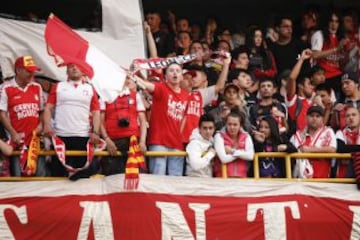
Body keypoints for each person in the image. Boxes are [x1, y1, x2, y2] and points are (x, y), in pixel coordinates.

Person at [43, 64, 101, 180]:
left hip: (82, 136)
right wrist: (47, 126)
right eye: (70, 66)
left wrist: (95, 132)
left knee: (83, 176)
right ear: (66, 71)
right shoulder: (58, 86)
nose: (74, 68)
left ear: (83, 70)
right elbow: (48, 108)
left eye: (77, 66)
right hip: (60, 137)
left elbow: (96, 112)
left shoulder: (90, 88)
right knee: (58, 174)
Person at [133, 62, 188, 176]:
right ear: (166, 76)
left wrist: (179, 135)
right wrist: (133, 75)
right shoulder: (161, 88)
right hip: (158, 142)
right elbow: (145, 84)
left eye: (178, 71)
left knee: (176, 181)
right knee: (158, 178)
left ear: (182, 76)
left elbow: (184, 119)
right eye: (171, 70)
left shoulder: (186, 95)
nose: (175, 73)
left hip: (177, 144)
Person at [0, 56, 47, 176]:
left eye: (33, 71)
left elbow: (42, 111)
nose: (32, 74)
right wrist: (13, 133)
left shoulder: (37, 87)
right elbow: (2, 113)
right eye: (28, 71)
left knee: (40, 175)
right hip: (17, 142)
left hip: (35, 141)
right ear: (18, 70)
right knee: (18, 175)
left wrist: (41, 126)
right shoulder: (6, 88)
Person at [99, 77, 147, 175]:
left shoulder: (135, 96)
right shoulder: (104, 96)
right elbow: (100, 120)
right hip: (112, 142)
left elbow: (143, 121)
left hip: (133, 142)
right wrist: (107, 140)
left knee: (136, 175)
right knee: (112, 177)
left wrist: (142, 142)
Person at [180, 53, 230, 145]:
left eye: (193, 77)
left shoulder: (199, 94)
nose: (191, 80)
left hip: (196, 139)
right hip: (178, 138)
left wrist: (226, 65)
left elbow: (220, 86)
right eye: (188, 78)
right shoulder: (175, 93)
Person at [290, 105, 337, 178]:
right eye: (311, 116)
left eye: (318, 116)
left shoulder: (328, 132)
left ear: (322, 119)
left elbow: (332, 149)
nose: (314, 118)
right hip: (301, 181)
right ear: (306, 117)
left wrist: (310, 150)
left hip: (322, 180)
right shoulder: (297, 135)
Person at [213, 109, 254, 178]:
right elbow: (224, 159)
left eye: (235, 125)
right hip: (222, 177)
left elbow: (250, 156)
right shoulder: (219, 136)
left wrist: (232, 151)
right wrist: (242, 154)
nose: (232, 127)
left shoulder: (246, 136)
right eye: (229, 124)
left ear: (240, 125)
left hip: (242, 177)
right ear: (226, 124)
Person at [335, 106, 360, 178]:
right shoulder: (340, 132)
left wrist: (349, 149)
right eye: (348, 116)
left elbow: (345, 148)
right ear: (345, 119)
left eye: (354, 115)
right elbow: (341, 148)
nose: (351, 117)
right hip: (344, 174)